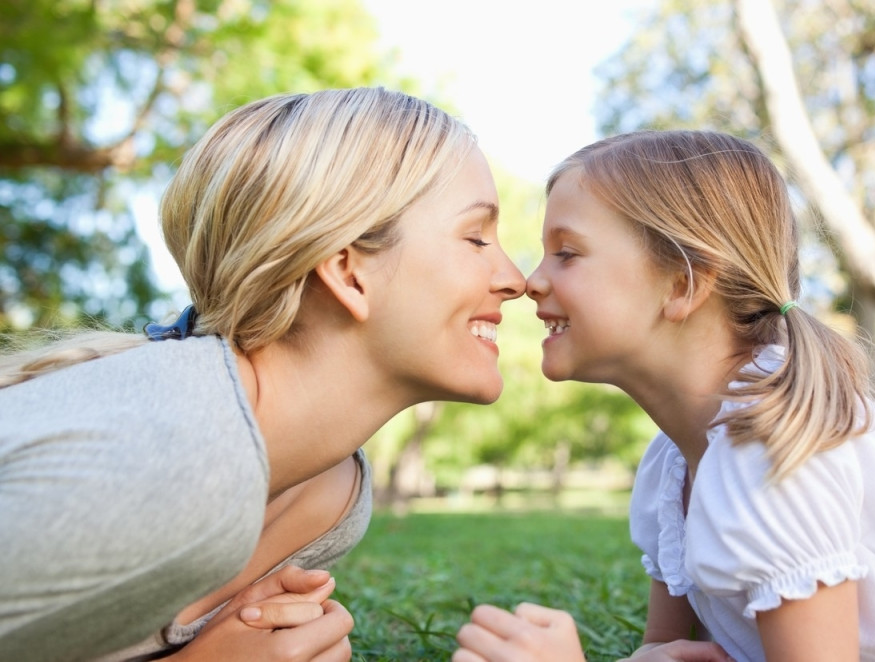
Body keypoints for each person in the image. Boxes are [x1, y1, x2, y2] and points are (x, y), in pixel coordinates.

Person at [0, 87, 526, 662]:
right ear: (348, 272)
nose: (514, 278)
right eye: (476, 237)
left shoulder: (330, 496)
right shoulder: (175, 463)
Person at [453, 130, 875, 662]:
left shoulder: (774, 452)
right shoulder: (675, 463)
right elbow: (667, 652)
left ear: (684, 284)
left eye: (567, 253)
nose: (531, 281)